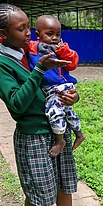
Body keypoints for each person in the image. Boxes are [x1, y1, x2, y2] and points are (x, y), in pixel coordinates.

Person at [0, 4, 85, 206]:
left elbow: (56, 81)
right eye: (22, 29)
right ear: (2, 33)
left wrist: (70, 96)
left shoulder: (31, 53)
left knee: (65, 185)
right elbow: (17, 103)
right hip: (32, 136)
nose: (29, 33)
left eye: (29, 27)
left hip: (56, 129)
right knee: (36, 191)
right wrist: (40, 68)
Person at [28, 15, 85, 157]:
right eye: (49, 34)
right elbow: (15, 43)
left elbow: (72, 64)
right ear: (38, 34)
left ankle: (60, 141)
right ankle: (79, 134)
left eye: (58, 34)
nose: (54, 38)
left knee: (54, 111)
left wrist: (64, 52)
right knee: (68, 112)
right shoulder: (33, 47)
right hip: (54, 88)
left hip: (59, 87)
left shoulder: (61, 48)